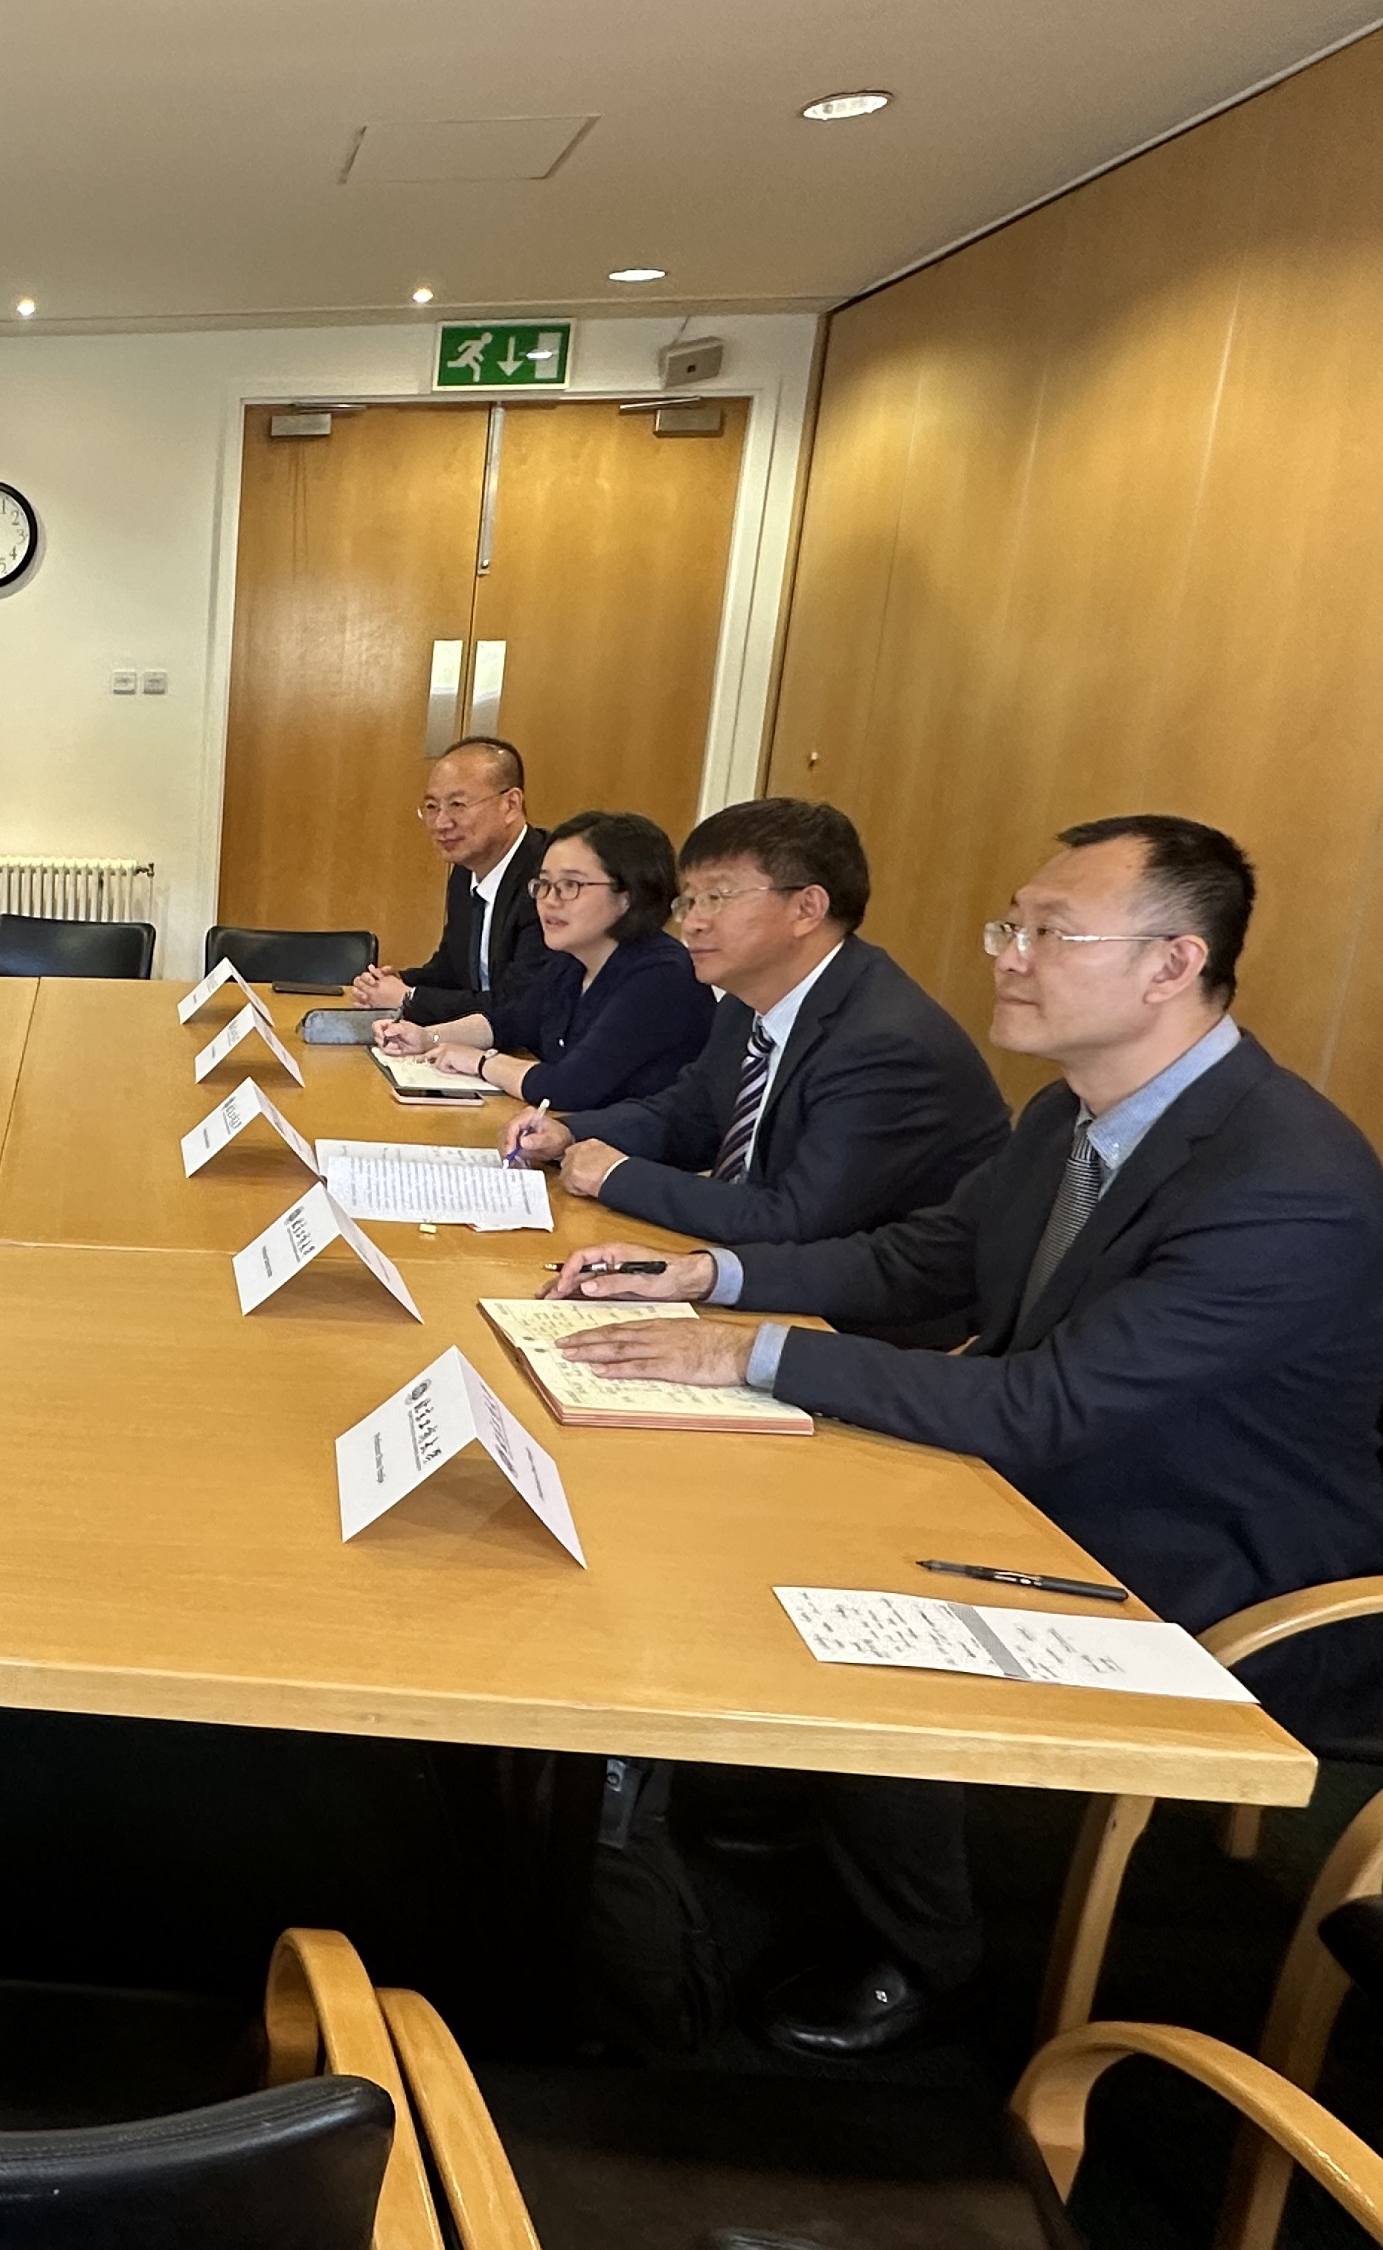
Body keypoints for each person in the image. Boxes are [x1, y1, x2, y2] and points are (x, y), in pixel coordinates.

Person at [547, 814, 1383, 2058]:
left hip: (1213, 1549)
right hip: (1072, 1467)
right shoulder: (1069, 1115)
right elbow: (922, 1258)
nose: (1008, 955)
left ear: (1173, 964)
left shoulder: (1283, 1178)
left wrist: (751, 1353)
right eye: (1011, 925)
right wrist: (710, 1279)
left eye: (1053, 933)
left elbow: (1047, 1406)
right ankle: (809, 1783)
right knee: (755, 1481)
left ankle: (926, 1952)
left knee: (850, 1566)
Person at [502, 798, 1008, 1250]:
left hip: (851, 1309)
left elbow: (795, 1219)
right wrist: (569, 1133)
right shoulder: (747, 1002)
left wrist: (617, 1175)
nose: (692, 922)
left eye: (717, 897)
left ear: (807, 908)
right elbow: (687, 1116)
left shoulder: (884, 1043)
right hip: (758, 1265)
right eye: (689, 900)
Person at [376, 810, 711, 1110]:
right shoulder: (572, 961)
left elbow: (569, 1086)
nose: (549, 900)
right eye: (544, 884)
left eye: (570, 885)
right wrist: (427, 1037)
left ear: (629, 896)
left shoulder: (661, 976)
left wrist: (481, 1063)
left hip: (636, 1153)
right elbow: (509, 1022)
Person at [347, 737, 551, 1026]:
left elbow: (520, 1003)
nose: (441, 823)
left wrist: (410, 998)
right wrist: (394, 982)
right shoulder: (465, 872)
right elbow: (452, 971)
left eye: (457, 805)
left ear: (510, 805)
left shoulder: (549, 880)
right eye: (432, 807)